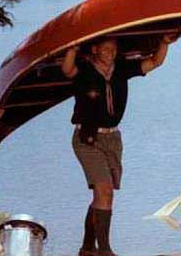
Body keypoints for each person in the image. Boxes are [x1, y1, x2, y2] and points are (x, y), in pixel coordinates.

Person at [62, 35, 171, 256]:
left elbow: (155, 63)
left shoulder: (122, 68)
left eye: (113, 49)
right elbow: (67, 70)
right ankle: (104, 249)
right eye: (105, 48)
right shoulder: (84, 69)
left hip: (113, 139)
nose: (110, 52)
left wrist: (164, 43)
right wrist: (72, 48)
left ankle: (86, 248)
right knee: (105, 191)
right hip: (87, 137)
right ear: (94, 49)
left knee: (102, 195)